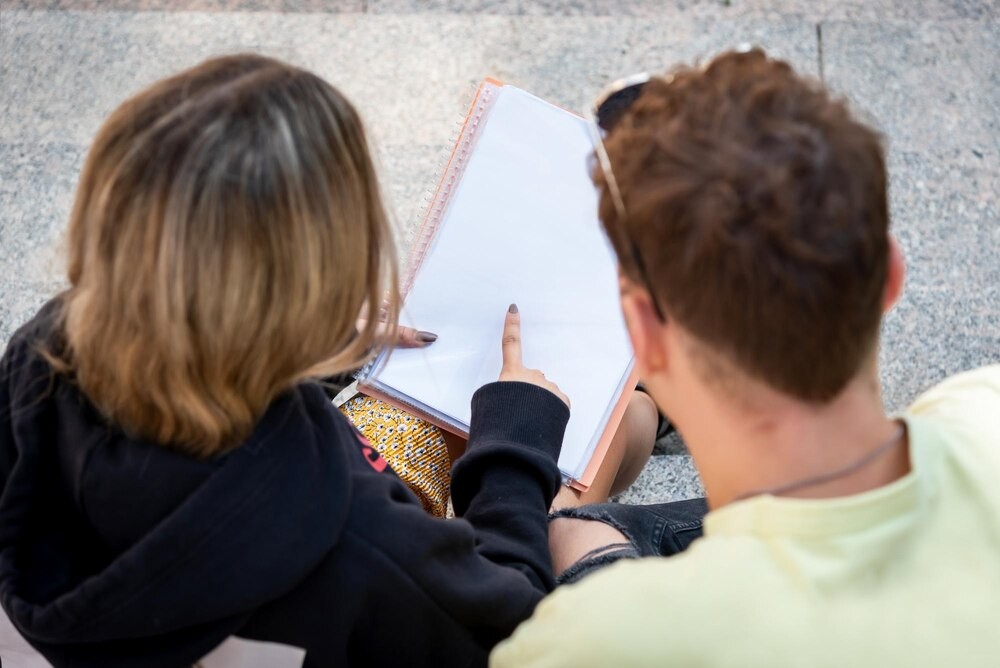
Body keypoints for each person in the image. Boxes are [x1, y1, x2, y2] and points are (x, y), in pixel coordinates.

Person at [0, 54, 576, 667]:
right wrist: (518, 449)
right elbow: (515, 637)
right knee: (593, 481)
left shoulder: (37, 360)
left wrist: (302, 341)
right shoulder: (353, 535)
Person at [493, 48, 1000, 666]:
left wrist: (517, 481)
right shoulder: (985, 406)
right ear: (891, 278)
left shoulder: (595, 641)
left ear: (643, 336)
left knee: (565, 532)